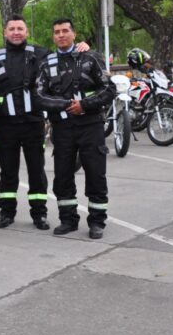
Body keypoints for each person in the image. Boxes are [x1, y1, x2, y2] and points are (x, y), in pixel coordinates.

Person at [0, 17, 90, 231]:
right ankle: (7, 213)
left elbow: (66, 58)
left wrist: (83, 48)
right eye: (12, 29)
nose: (16, 32)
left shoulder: (41, 54)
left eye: (20, 28)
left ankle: (39, 214)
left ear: (27, 32)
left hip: (33, 123)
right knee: (8, 171)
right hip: (6, 124)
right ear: (5, 32)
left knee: (36, 170)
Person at [34, 18, 115, 239]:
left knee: (96, 174)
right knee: (62, 176)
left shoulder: (90, 58)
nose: (61, 35)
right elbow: (39, 96)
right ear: (53, 36)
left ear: (74, 34)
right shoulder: (46, 63)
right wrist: (66, 106)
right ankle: (68, 219)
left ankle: (97, 222)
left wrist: (84, 105)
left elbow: (109, 89)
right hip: (62, 128)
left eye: (65, 31)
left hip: (91, 125)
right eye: (57, 32)